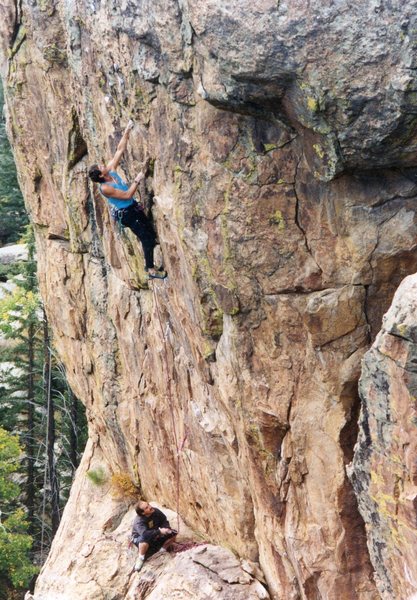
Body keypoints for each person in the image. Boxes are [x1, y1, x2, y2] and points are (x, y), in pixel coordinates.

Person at [88, 121, 166, 279]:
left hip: (133, 207)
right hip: (128, 214)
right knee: (146, 237)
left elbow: (119, 150)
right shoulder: (106, 188)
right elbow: (126, 195)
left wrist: (127, 131)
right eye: (101, 167)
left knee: (150, 232)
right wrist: (138, 179)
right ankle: (150, 270)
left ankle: (150, 254)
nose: (104, 165)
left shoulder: (110, 171)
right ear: (101, 175)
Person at [131, 501, 177, 572]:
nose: (150, 507)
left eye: (148, 504)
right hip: (140, 538)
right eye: (147, 507)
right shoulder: (139, 521)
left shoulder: (155, 511)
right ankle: (141, 558)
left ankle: (162, 550)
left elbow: (164, 520)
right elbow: (145, 534)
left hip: (154, 534)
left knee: (173, 533)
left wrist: (166, 528)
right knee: (144, 539)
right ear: (143, 513)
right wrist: (159, 532)